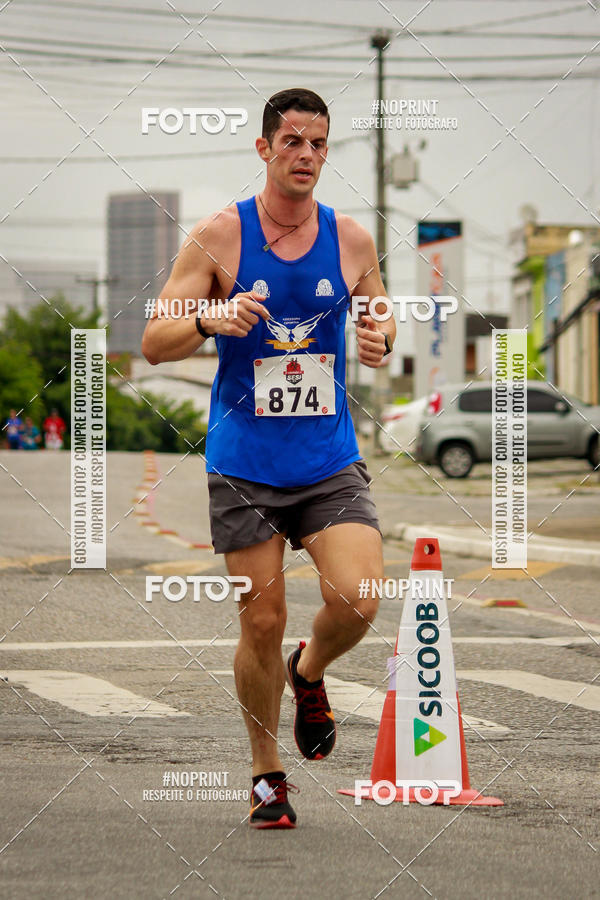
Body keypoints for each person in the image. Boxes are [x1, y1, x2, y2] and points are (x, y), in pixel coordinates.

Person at [142, 88, 396, 829]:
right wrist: (208, 319)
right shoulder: (221, 235)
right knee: (262, 619)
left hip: (326, 459)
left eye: (319, 144)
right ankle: (265, 772)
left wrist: (380, 339)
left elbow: (378, 317)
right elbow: (155, 343)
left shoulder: (350, 239)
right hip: (245, 461)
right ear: (264, 149)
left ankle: (308, 673)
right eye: (292, 142)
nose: (307, 156)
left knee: (360, 596)